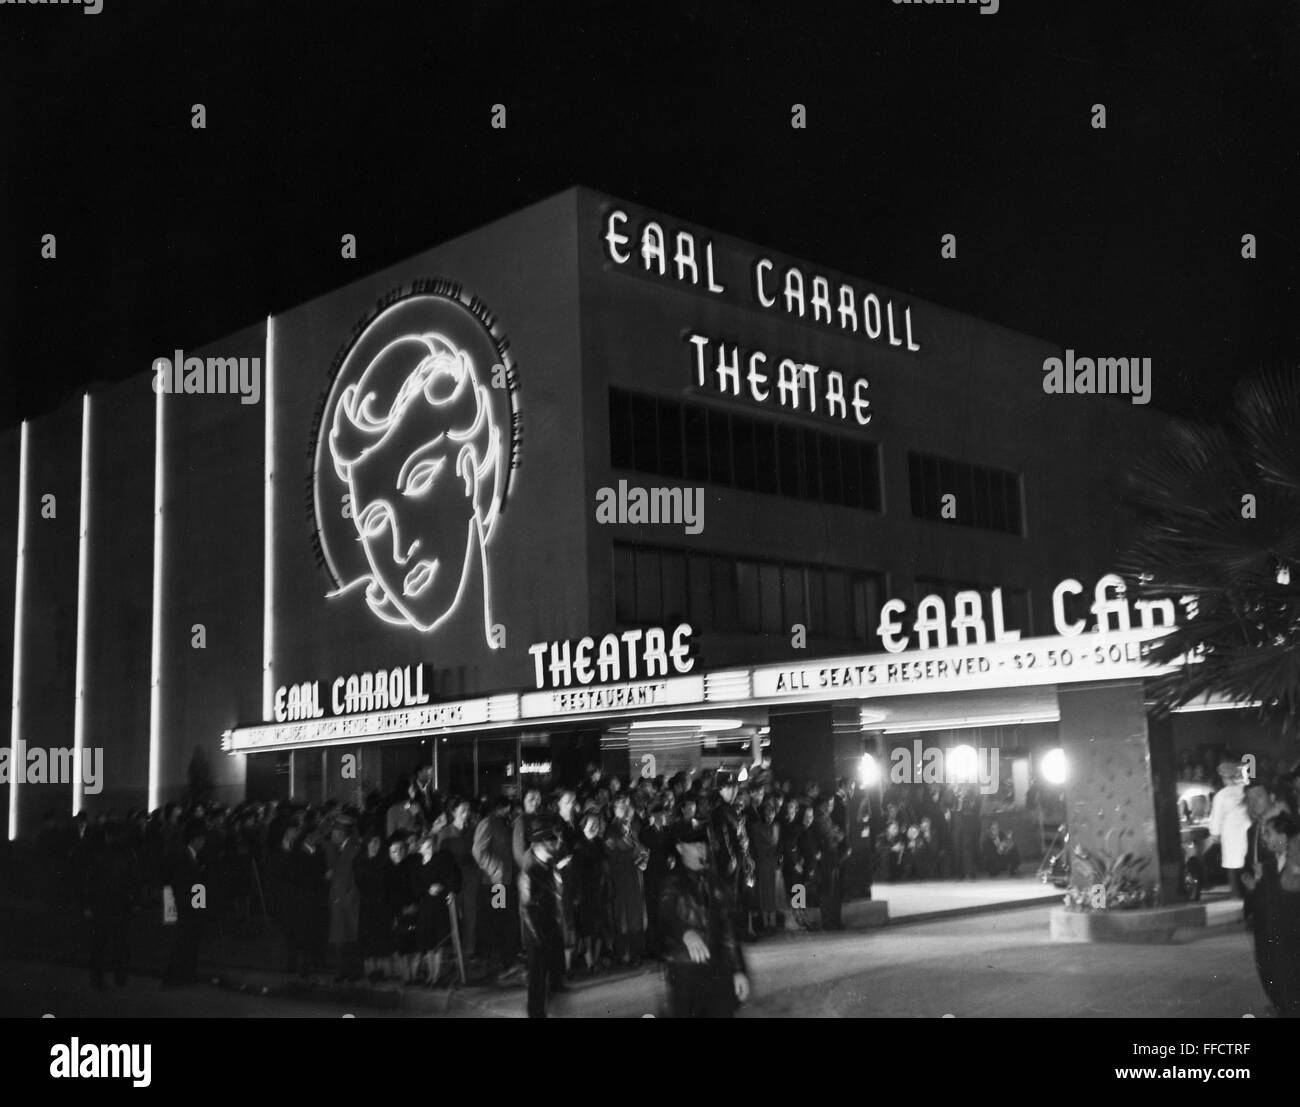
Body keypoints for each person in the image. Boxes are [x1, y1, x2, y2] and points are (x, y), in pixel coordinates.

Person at [658, 823, 750, 1018]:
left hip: (717, 968)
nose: (701, 848)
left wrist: (738, 970)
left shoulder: (714, 883)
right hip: (686, 969)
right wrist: (685, 932)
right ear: (680, 848)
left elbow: (728, 930)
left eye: (702, 843)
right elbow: (666, 913)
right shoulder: (672, 882)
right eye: (693, 844)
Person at [1240, 810, 1300, 1016]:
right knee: (1272, 972)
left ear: (1284, 837)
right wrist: (1253, 886)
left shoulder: (1294, 862)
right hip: (1270, 932)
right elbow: (1264, 899)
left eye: (1269, 833)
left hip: (1289, 933)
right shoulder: (1268, 865)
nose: (1264, 839)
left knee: (1289, 976)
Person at [518, 819, 568, 1018]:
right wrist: (537, 936)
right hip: (537, 928)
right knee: (537, 975)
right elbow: (526, 908)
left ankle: (548, 1003)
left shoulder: (548, 865)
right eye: (550, 842)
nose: (554, 845)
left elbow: (557, 894)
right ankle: (536, 1012)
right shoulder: (530, 870)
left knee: (552, 967)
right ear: (539, 845)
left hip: (550, 923)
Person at [82, 821, 138, 989]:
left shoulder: (97, 853)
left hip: (101, 904)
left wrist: (87, 905)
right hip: (120, 903)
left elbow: (89, 880)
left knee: (99, 944)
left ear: (107, 835)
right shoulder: (129, 854)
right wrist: (135, 901)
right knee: (120, 942)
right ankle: (120, 976)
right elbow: (134, 879)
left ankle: (97, 978)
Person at [473, 794, 519, 974]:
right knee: (497, 918)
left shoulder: (503, 824)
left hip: (504, 880)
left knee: (504, 918)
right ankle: (496, 959)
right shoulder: (489, 823)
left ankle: (504, 958)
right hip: (496, 882)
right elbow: (478, 850)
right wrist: (494, 869)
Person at [411, 832, 462, 987]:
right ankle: (430, 975)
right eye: (425, 847)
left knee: (438, 941)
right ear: (420, 849)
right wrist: (427, 889)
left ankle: (437, 975)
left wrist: (448, 890)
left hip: (438, 905)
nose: (429, 850)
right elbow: (415, 886)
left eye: (430, 847)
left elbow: (450, 878)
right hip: (425, 905)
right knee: (428, 942)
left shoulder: (440, 860)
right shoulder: (418, 865)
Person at [163, 819, 207, 986]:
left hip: (190, 904)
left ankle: (184, 975)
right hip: (186, 906)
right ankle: (178, 976)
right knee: (184, 941)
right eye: (201, 840)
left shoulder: (190, 856)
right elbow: (184, 884)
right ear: (196, 840)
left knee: (188, 941)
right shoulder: (183, 857)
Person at [326, 814, 363, 981]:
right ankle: (345, 971)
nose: (332, 834)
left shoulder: (352, 849)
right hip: (341, 901)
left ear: (342, 832)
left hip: (347, 901)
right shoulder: (342, 849)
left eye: (335, 830)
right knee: (343, 939)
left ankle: (347, 972)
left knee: (346, 939)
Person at [1208, 760, 1253, 895]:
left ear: (1224, 778)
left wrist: (1214, 833)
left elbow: (1216, 816)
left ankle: (1236, 893)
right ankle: (1248, 890)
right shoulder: (1245, 790)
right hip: (1247, 829)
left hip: (1230, 833)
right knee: (1247, 860)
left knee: (1232, 864)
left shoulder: (1221, 795)